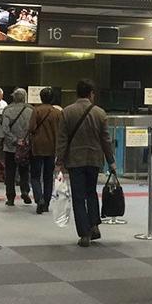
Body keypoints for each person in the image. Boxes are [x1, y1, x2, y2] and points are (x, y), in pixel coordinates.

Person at [55, 80, 116, 247]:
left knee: (78, 197)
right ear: (91, 93)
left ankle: (84, 234)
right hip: (95, 159)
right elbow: (106, 140)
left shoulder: (67, 112)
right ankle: (94, 225)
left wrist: (59, 161)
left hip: (75, 160)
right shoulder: (100, 113)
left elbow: (62, 140)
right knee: (91, 193)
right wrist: (111, 161)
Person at [28, 87, 62, 213]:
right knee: (48, 176)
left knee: (35, 176)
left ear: (41, 98)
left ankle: (39, 199)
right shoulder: (57, 113)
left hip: (37, 147)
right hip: (52, 147)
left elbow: (31, 128)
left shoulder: (36, 111)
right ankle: (46, 203)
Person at [0, 88, 33, 206]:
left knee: (10, 172)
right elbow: (33, 128)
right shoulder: (31, 110)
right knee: (24, 170)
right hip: (25, 146)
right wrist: (24, 140)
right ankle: (25, 191)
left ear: (13, 97)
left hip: (10, 147)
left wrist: (14, 140)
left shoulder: (7, 110)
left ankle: (10, 197)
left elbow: (4, 128)